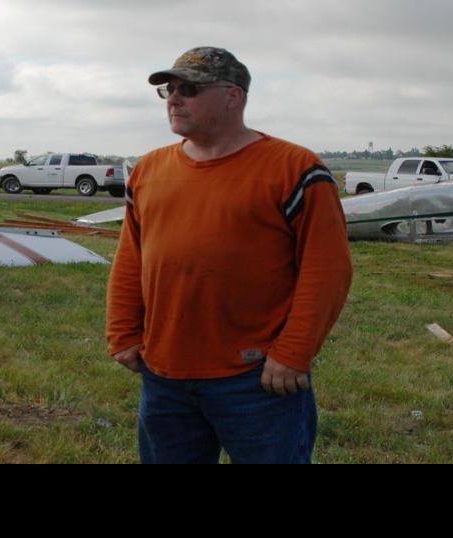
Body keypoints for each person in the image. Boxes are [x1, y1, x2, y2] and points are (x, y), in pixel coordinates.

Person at [106, 47, 353, 464]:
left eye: (189, 89)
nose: (173, 99)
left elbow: (327, 270)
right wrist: (122, 332)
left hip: (258, 380)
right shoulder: (149, 170)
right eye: (169, 90)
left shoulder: (295, 169)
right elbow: (133, 257)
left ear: (233, 96)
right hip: (164, 377)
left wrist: (293, 353)